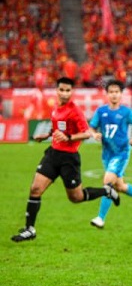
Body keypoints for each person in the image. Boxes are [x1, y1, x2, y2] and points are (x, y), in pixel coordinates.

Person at [11, 77, 120, 242]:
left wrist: (68, 137)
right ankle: (29, 229)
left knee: (76, 197)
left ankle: (107, 191)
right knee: (35, 189)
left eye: (68, 90)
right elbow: (57, 127)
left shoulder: (75, 111)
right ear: (57, 90)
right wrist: (46, 135)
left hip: (69, 159)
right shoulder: (56, 107)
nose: (64, 93)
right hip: (53, 154)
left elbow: (86, 133)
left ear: (72, 92)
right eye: (61, 90)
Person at [88, 79, 132, 229]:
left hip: (121, 153)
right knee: (119, 186)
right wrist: (94, 134)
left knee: (107, 182)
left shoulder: (126, 112)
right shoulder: (101, 112)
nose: (114, 95)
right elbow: (92, 127)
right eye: (111, 92)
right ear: (107, 94)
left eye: (116, 92)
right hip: (107, 153)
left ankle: (100, 218)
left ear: (121, 94)